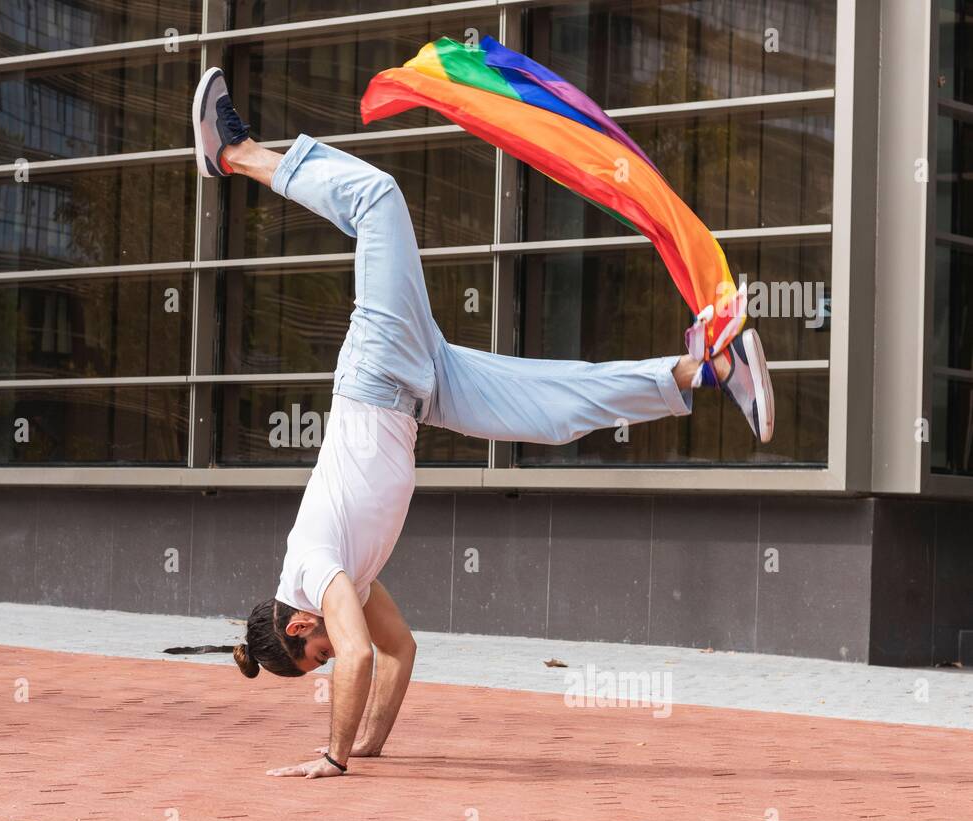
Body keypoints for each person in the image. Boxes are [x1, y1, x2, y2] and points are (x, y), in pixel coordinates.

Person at [193, 66, 774, 780]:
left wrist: (334, 756)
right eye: (327, 665)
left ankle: (234, 153)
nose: (334, 660)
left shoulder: (316, 571)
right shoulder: (351, 577)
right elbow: (401, 652)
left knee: (378, 199)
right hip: (425, 391)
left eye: (319, 657)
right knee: (556, 408)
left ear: (300, 625)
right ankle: (707, 370)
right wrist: (371, 745)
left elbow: (366, 656)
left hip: (380, 371)